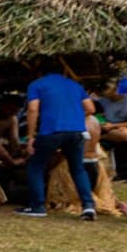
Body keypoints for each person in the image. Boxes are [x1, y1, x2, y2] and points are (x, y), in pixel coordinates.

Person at [19, 60, 97, 220]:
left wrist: (31, 136)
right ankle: (88, 206)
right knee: (77, 168)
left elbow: (33, 109)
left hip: (51, 130)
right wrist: (73, 117)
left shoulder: (37, 84)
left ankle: (37, 206)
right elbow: (91, 108)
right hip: (76, 132)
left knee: (36, 165)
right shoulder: (75, 85)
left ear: (40, 72)